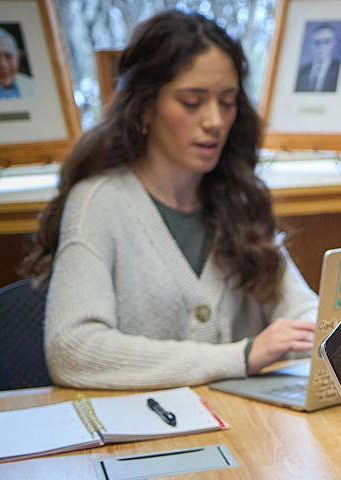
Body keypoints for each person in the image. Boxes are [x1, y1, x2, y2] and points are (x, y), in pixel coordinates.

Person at [21, 10, 319, 390]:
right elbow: (71, 350)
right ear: (145, 107)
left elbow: (302, 313)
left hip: (244, 430)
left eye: (227, 102)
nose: (214, 120)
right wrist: (238, 357)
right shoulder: (98, 203)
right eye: (192, 102)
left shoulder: (239, 198)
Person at [294, 24, 340, 92]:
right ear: (310, 44)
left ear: (334, 43)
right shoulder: (301, 72)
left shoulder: (340, 69)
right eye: (317, 42)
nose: (321, 47)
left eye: (326, 42)